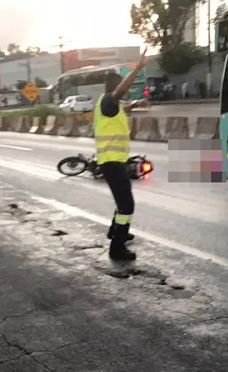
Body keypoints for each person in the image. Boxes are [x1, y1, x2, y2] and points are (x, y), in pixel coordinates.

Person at [93, 47, 150, 261]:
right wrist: (138, 67)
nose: (122, 90)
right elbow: (120, 94)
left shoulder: (105, 104)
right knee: (127, 205)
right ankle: (117, 248)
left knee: (122, 201)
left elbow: (121, 109)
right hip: (112, 162)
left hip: (113, 162)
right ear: (114, 87)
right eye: (119, 86)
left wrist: (136, 104)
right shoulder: (109, 100)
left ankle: (116, 231)